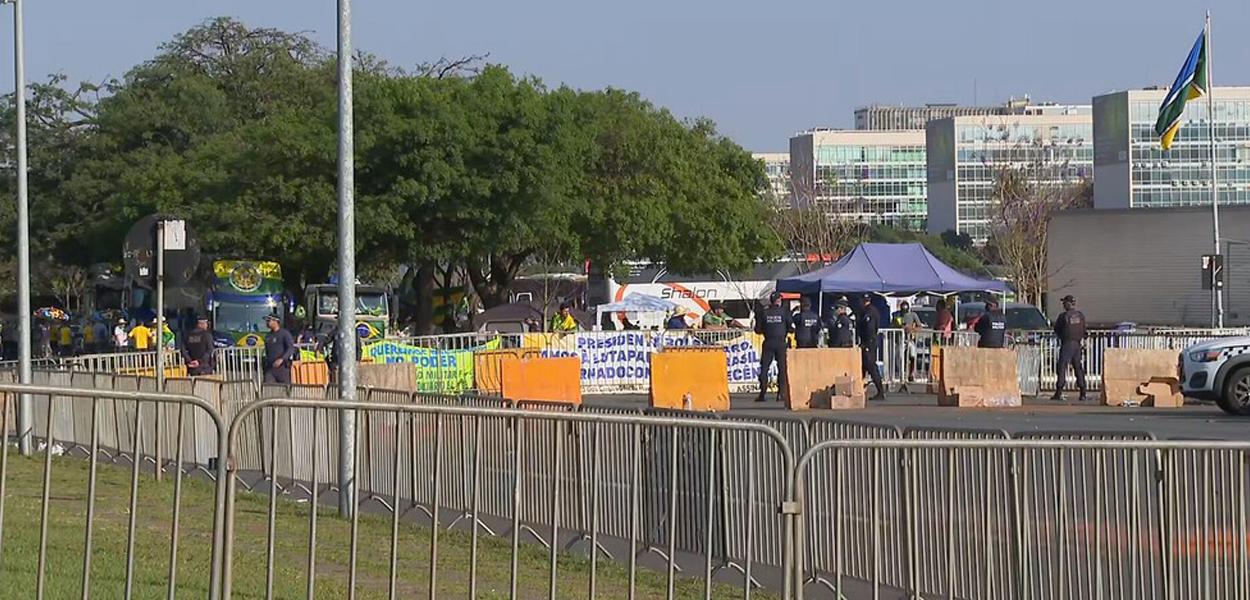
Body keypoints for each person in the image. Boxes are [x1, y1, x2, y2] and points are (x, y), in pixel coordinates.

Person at [754, 292, 791, 402]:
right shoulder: (784, 312)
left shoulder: (764, 312)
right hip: (781, 343)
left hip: (769, 342)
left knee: (765, 368)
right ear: (779, 300)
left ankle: (762, 393)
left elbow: (758, 330)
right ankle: (781, 393)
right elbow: (791, 327)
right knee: (782, 368)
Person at [1052, 294, 1088, 401]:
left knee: (1062, 367)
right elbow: (1084, 330)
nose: (1063, 305)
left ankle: (1059, 392)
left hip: (1067, 344)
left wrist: (1063, 337)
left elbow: (1057, 329)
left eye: (1064, 303)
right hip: (1077, 344)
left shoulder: (1063, 316)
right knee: (1078, 368)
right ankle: (1083, 392)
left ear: (1068, 304)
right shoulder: (1080, 316)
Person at [857, 295, 886, 400]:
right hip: (869, 342)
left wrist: (866, 343)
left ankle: (880, 391)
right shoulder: (870, 311)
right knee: (864, 366)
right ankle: (861, 390)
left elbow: (869, 328)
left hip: (869, 342)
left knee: (871, 367)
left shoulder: (869, 312)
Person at [892, 300, 923, 380]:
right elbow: (892, 326)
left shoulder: (913, 315)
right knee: (900, 357)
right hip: (900, 340)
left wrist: (912, 329)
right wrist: (899, 327)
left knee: (913, 355)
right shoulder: (897, 315)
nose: (904, 313)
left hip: (910, 339)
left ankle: (911, 373)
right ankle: (902, 374)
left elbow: (920, 327)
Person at [262, 314, 296, 384]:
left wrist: (282, 359)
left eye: (269, 320)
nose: (267, 323)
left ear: (276, 321)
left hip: (282, 368)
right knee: (268, 389)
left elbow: (291, 348)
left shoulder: (284, 334)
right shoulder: (268, 336)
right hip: (270, 368)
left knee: (286, 389)